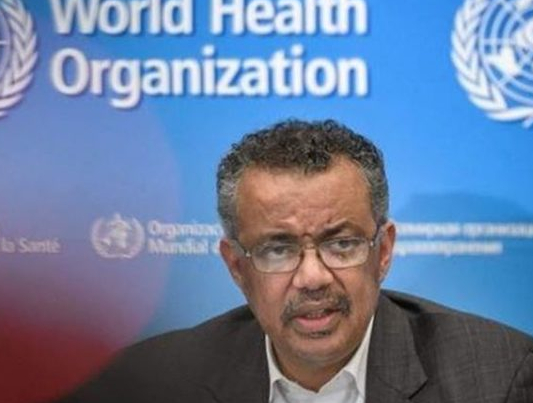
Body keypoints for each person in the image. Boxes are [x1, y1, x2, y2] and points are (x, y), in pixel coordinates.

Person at [56, 119, 533, 403]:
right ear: (236, 267)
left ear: (383, 251)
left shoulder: (497, 378)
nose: (312, 277)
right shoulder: (151, 383)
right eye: (277, 249)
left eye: (341, 244)